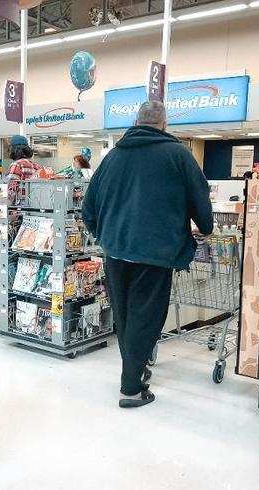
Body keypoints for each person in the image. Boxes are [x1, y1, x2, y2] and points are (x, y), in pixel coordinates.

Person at [82, 101, 213, 409]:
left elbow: (89, 208)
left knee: (126, 316)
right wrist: (204, 226)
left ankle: (136, 369)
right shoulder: (179, 155)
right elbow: (200, 200)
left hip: (116, 250)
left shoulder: (112, 157)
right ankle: (130, 389)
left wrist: (105, 234)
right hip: (156, 251)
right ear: (164, 124)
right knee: (147, 317)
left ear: (135, 121)